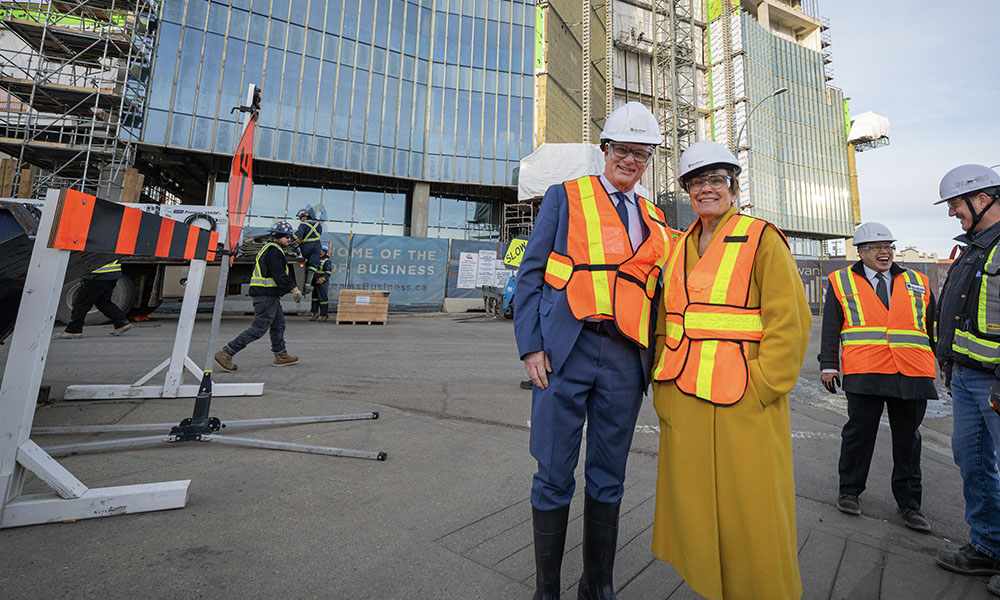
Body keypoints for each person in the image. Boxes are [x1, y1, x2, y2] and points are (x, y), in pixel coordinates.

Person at [514, 101, 673, 600]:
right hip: (567, 349)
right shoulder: (565, 196)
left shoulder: (654, 216)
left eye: (641, 154)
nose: (631, 161)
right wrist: (531, 347)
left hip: (626, 356)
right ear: (605, 150)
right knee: (554, 469)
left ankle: (597, 584)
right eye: (623, 150)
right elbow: (532, 275)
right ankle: (547, 589)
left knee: (609, 474)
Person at [649, 141, 810, 600]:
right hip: (685, 396)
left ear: (733, 187)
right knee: (697, 510)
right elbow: (667, 321)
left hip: (744, 399)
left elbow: (789, 323)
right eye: (696, 181)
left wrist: (764, 387)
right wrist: (663, 386)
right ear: (686, 190)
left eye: (715, 179)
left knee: (754, 513)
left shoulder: (762, 238)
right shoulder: (677, 247)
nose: (705, 189)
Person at [819, 222, 936, 533]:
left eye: (889, 246)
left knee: (908, 441)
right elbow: (831, 326)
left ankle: (910, 505)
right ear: (861, 252)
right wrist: (828, 364)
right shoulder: (841, 281)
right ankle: (850, 492)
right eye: (877, 247)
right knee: (859, 434)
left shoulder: (918, 281)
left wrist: (947, 364)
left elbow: (934, 327)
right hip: (865, 369)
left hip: (911, 372)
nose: (885, 252)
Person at [932, 164, 1000, 592]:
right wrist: (950, 364)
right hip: (966, 378)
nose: (953, 212)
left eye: (957, 203)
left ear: (983, 199)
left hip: (995, 381)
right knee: (973, 464)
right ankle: (988, 547)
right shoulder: (973, 248)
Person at [214, 221, 303, 372]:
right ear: (277, 236)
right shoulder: (274, 251)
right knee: (259, 328)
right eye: (287, 237)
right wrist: (293, 289)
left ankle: (281, 355)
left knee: (278, 325)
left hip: (269, 295)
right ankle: (227, 352)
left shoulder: (269, 248)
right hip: (266, 296)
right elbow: (279, 275)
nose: (289, 240)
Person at [56, 259, 132, 338]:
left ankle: (73, 330)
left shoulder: (95, 246)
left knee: (81, 303)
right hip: (112, 274)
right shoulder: (112, 246)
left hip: (97, 275)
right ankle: (121, 323)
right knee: (103, 302)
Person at [295, 207, 322, 292]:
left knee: (305, 263)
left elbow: (297, 236)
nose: (300, 220)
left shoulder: (303, 225)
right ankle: (308, 284)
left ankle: (302, 285)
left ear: (304, 216)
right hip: (317, 246)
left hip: (307, 246)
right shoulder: (318, 224)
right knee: (313, 265)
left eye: (300, 218)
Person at [310, 243, 332, 321]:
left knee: (323, 299)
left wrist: (323, 278)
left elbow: (328, 272)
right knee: (314, 298)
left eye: (320, 250)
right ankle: (315, 313)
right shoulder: (315, 259)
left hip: (322, 282)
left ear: (324, 251)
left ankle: (324, 315)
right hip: (315, 281)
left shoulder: (327, 261)